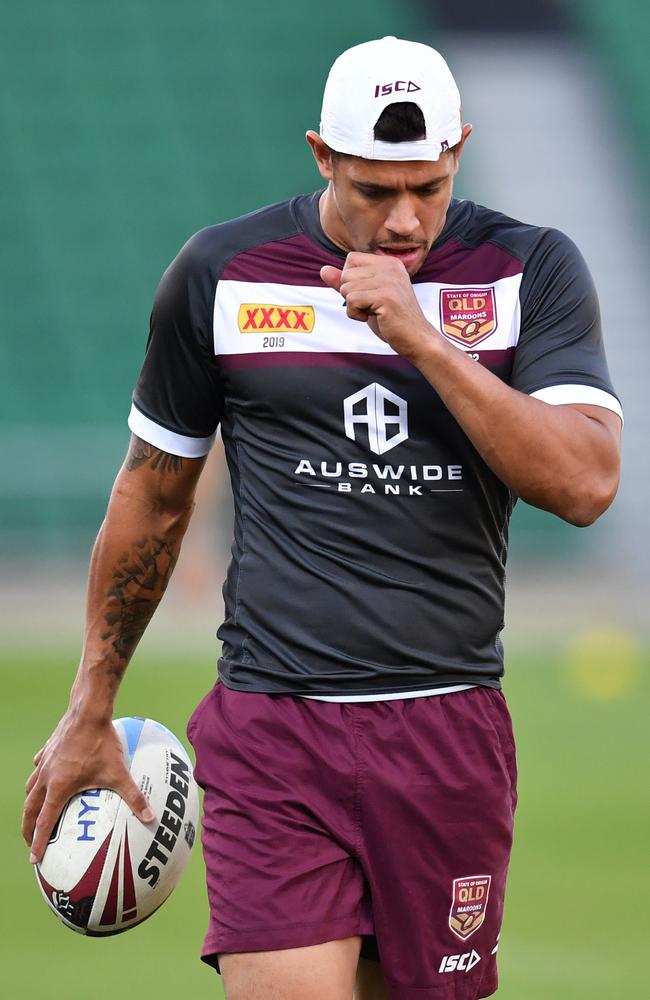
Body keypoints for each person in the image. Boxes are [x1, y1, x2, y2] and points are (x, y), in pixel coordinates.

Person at [23, 36, 622, 1000]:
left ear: (460, 150)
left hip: (446, 729)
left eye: (426, 187)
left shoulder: (527, 270)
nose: (403, 220)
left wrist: (420, 338)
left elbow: (587, 483)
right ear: (320, 156)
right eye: (374, 190)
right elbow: (153, 494)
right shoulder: (223, 274)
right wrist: (91, 702)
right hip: (273, 728)